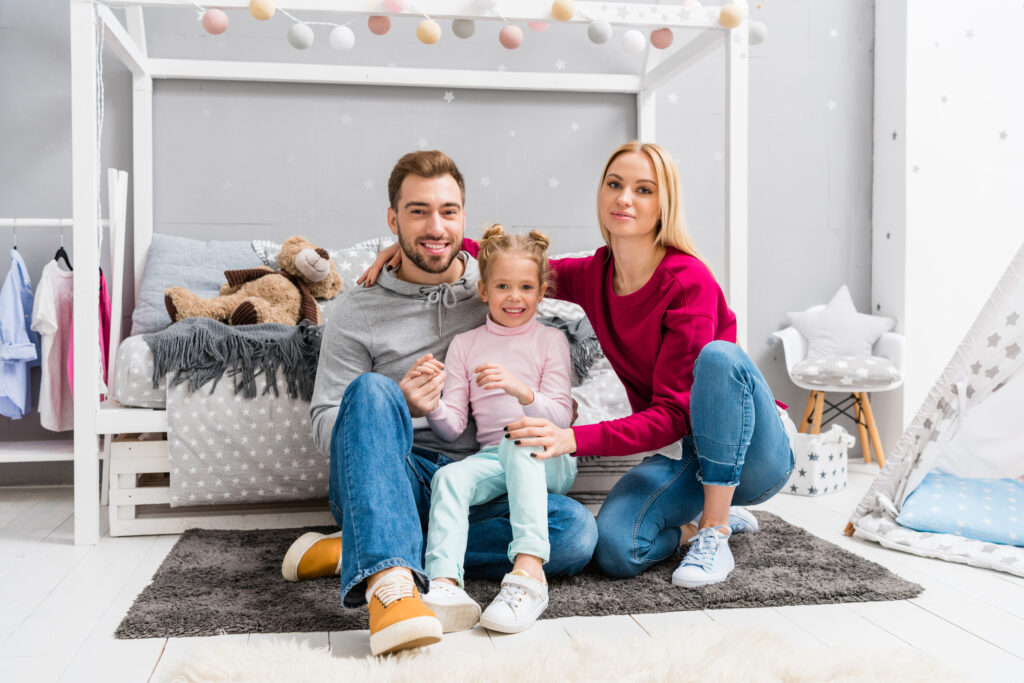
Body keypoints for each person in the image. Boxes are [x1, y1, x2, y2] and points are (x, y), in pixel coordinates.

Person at [360, 141, 795, 590]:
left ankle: (714, 529)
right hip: (688, 455)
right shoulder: (594, 275)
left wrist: (571, 437)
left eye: (644, 190)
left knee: (720, 357)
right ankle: (695, 524)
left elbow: (673, 413)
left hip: (752, 451)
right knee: (616, 549)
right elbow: (513, 265)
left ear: (665, 204)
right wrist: (422, 246)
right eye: (615, 184)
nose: (625, 198)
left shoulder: (688, 281)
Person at [282, 150, 597, 657]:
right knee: (373, 390)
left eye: (448, 211)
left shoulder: (493, 286)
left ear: (463, 217)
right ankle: (391, 587)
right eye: (418, 212)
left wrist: (547, 404)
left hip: (481, 478)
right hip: (392, 473)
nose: (435, 227)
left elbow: (530, 276)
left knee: (575, 531)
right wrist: (400, 408)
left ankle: (371, 542)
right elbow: (325, 425)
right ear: (393, 221)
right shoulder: (357, 307)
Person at [414, 224, 576, 635]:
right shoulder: (466, 345)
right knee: (449, 477)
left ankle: (529, 574)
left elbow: (560, 417)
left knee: (519, 436)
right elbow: (453, 427)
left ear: (541, 292)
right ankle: (444, 585)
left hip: (547, 452)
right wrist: (431, 406)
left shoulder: (550, 340)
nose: (514, 296)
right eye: (503, 286)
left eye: (526, 287)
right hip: (493, 456)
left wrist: (521, 390)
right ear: (484, 290)